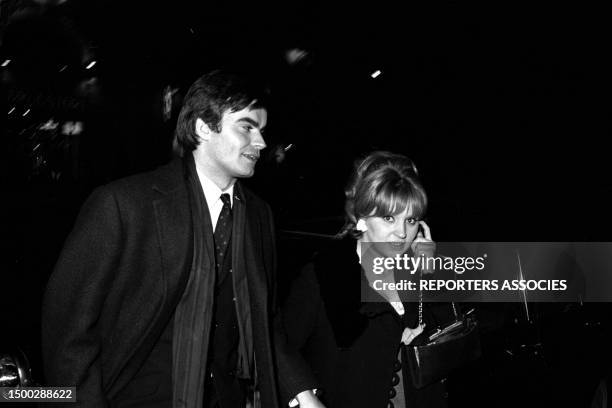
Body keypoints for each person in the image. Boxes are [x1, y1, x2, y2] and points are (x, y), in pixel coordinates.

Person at [42, 70, 324, 408]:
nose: (261, 142)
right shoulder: (123, 205)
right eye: (247, 127)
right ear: (203, 127)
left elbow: (266, 320)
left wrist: (302, 393)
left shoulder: (258, 215)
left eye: (262, 131)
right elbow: (68, 335)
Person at [282, 151, 447, 407]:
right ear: (361, 219)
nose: (402, 232)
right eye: (389, 218)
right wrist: (305, 396)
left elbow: (450, 338)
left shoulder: (416, 271)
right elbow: (280, 346)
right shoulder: (324, 275)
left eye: (411, 220)